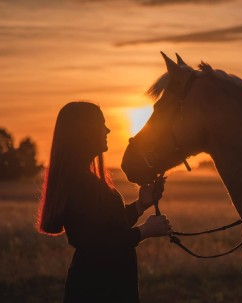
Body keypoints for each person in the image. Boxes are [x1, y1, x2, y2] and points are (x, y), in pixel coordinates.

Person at [37, 101, 172, 302]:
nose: (108, 130)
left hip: (99, 284)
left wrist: (140, 205)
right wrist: (145, 231)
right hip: (100, 289)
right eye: (101, 124)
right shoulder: (80, 183)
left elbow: (107, 226)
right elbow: (99, 244)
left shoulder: (81, 179)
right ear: (85, 132)